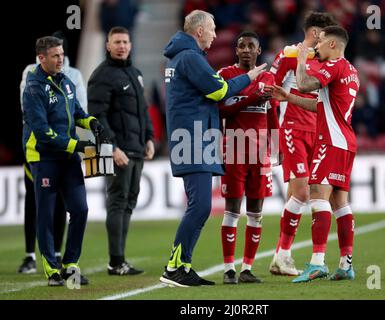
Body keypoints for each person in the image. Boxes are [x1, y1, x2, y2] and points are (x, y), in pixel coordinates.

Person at [160, 10, 266, 287]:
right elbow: (219, 91)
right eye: (213, 29)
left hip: (195, 137)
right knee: (200, 206)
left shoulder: (182, 56)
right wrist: (250, 77)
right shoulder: (191, 57)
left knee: (200, 206)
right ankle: (174, 267)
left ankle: (182, 265)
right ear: (199, 31)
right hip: (192, 138)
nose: (216, 35)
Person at [269, 25, 360, 282]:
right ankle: (345, 264)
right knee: (340, 203)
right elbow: (317, 105)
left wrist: (299, 60)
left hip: (330, 141)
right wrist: (288, 97)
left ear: (333, 45)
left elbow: (306, 84)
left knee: (318, 196)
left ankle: (317, 262)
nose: (314, 49)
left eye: (319, 45)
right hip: (346, 141)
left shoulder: (333, 66)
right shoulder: (351, 71)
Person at [22, 36, 103, 286]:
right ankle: (51, 269)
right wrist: (77, 145)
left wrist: (92, 123)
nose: (61, 59)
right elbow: (43, 132)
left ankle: (70, 265)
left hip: (67, 157)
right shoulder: (33, 88)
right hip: (44, 157)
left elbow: (77, 113)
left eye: (62, 54)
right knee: (45, 213)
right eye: (56, 56)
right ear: (41, 58)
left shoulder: (66, 82)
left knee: (80, 209)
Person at [88, 26, 155, 276]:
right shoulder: (101, 75)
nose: (122, 46)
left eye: (125, 41)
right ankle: (116, 262)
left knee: (128, 203)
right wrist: (111, 147)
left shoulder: (134, 73)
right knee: (117, 202)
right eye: (116, 42)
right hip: (114, 150)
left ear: (130, 44)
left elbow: (143, 110)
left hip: (135, 149)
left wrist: (149, 137)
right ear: (107, 45)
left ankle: (119, 260)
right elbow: (95, 116)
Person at [218, 31, 279, 284]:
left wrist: (277, 146)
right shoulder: (225, 76)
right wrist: (252, 97)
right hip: (233, 149)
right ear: (236, 50)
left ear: (258, 50)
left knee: (256, 211)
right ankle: (229, 269)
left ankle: (246, 269)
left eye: (250, 46)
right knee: (232, 209)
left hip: (260, 152)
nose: (245, 49)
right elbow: (221, 109)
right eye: (241, 46)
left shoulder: (268, 77)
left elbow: (272, 114)